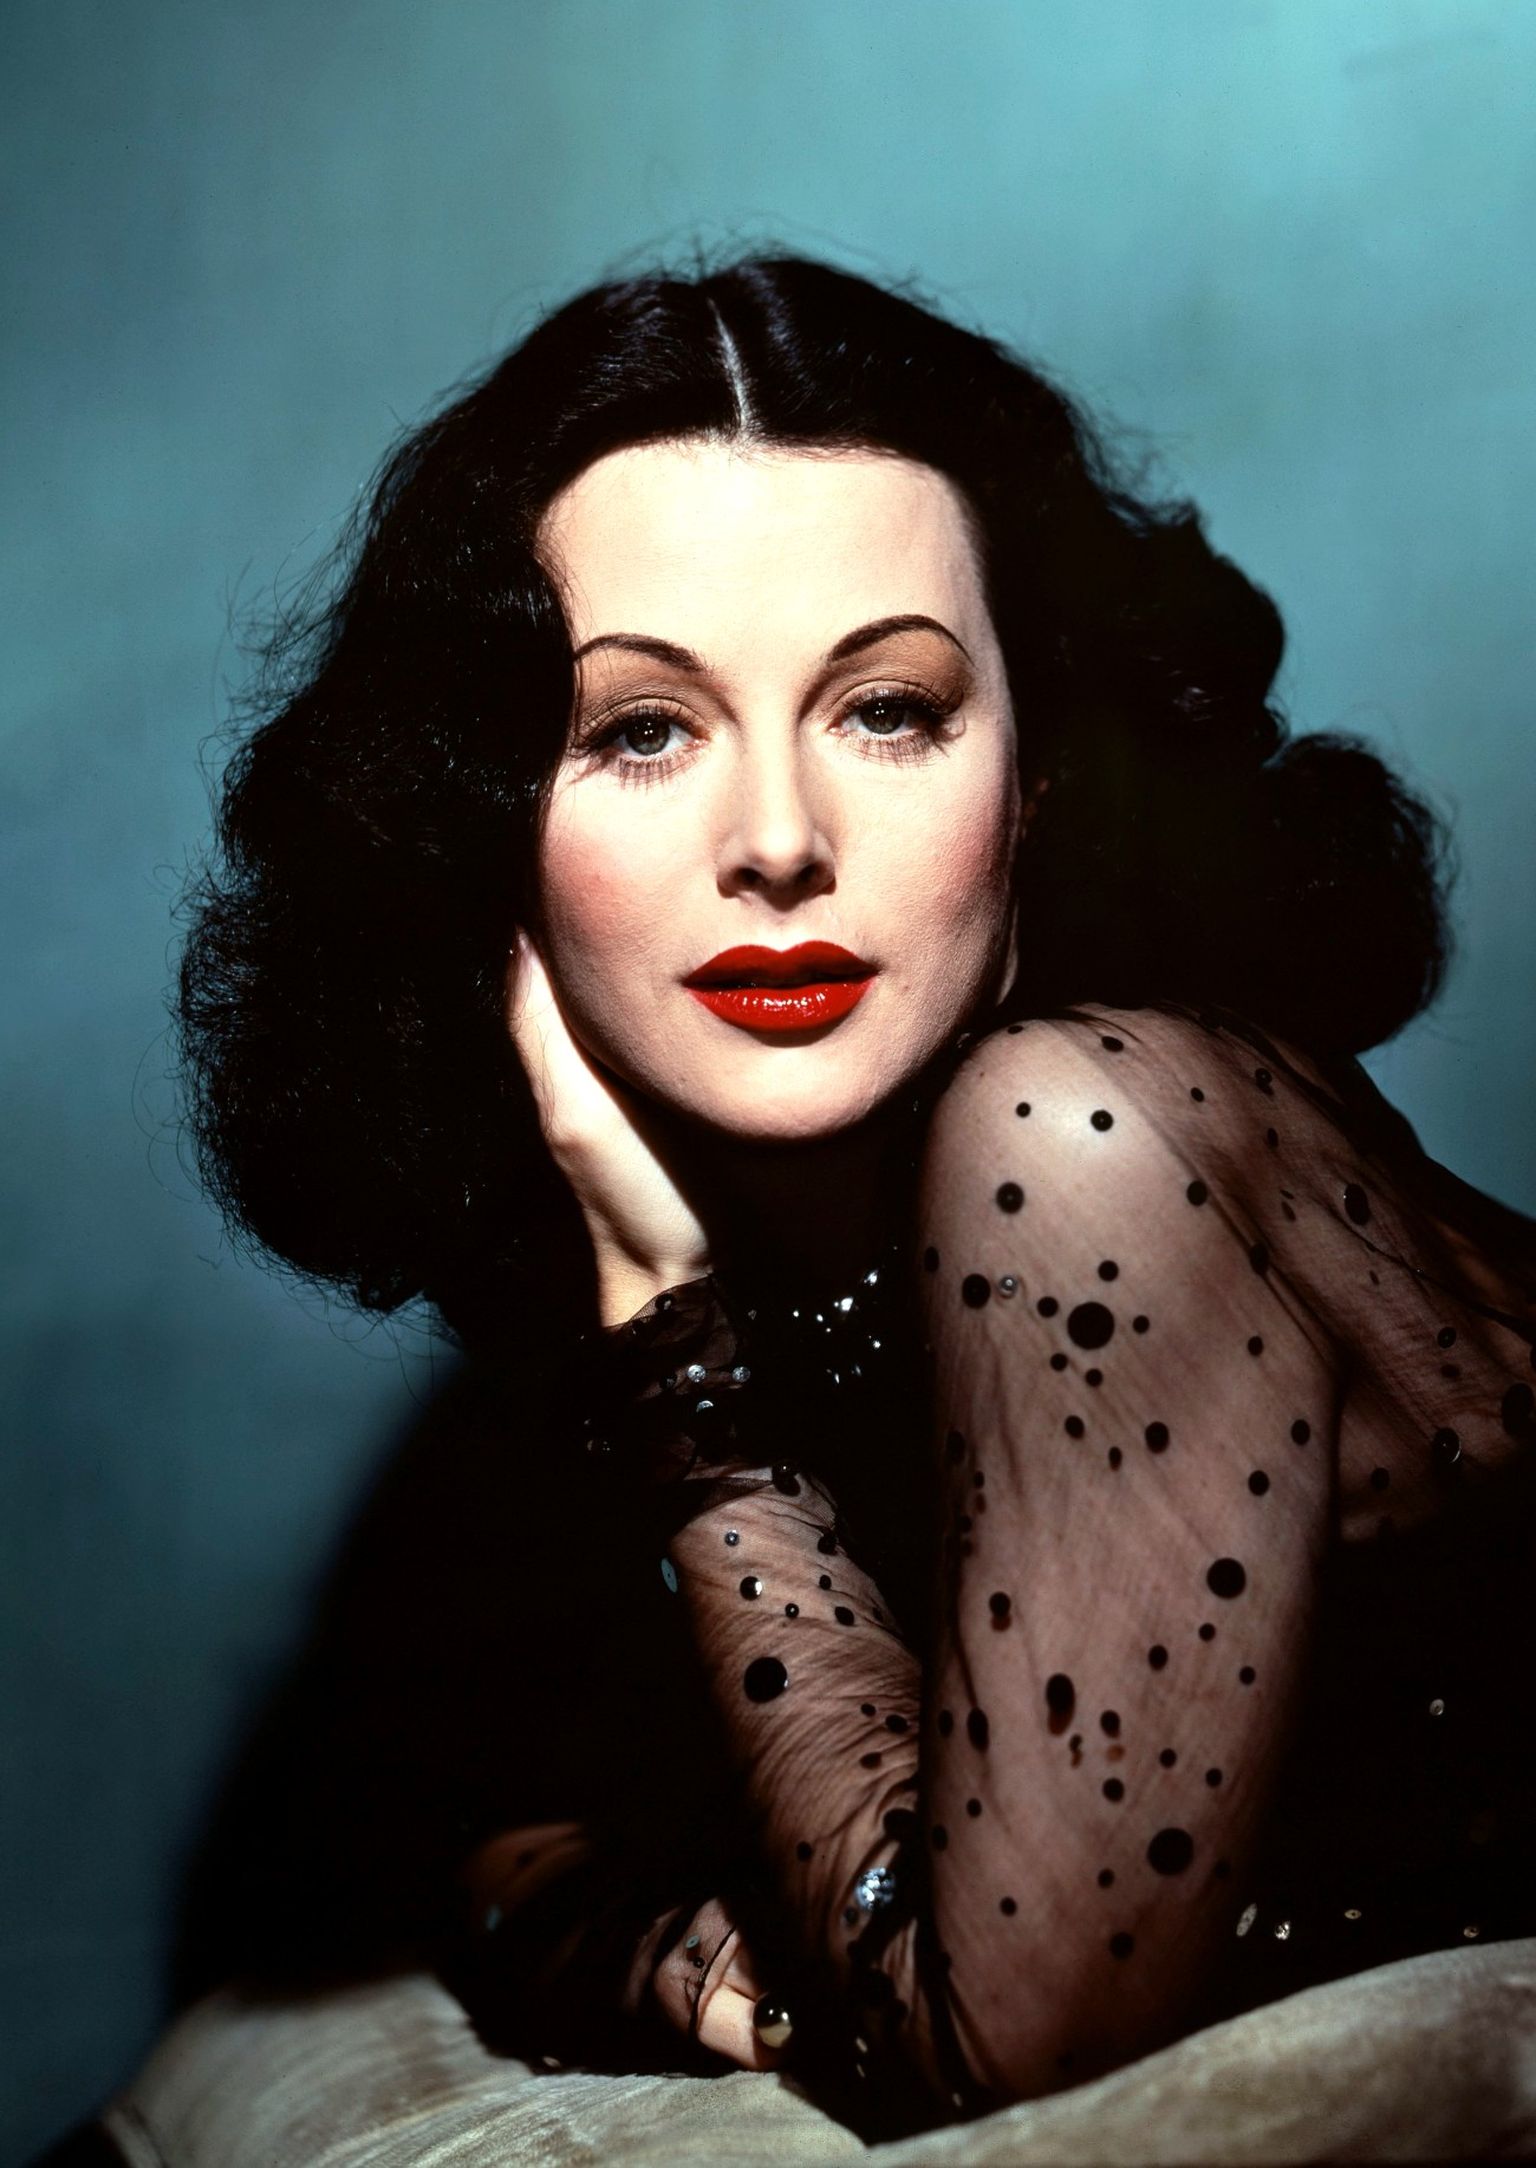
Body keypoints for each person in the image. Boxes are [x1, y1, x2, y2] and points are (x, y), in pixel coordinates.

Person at [171, 252, 1536, 2145]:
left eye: (888, 708)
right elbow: (493, 1844)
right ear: (483, 817)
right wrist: (635, 1935)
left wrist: (675, 1353)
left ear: (1036, 775)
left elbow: (976, 2051)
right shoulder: (744, 1244)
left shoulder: (1086, 1145)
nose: (780, 842)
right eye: (642, 730)